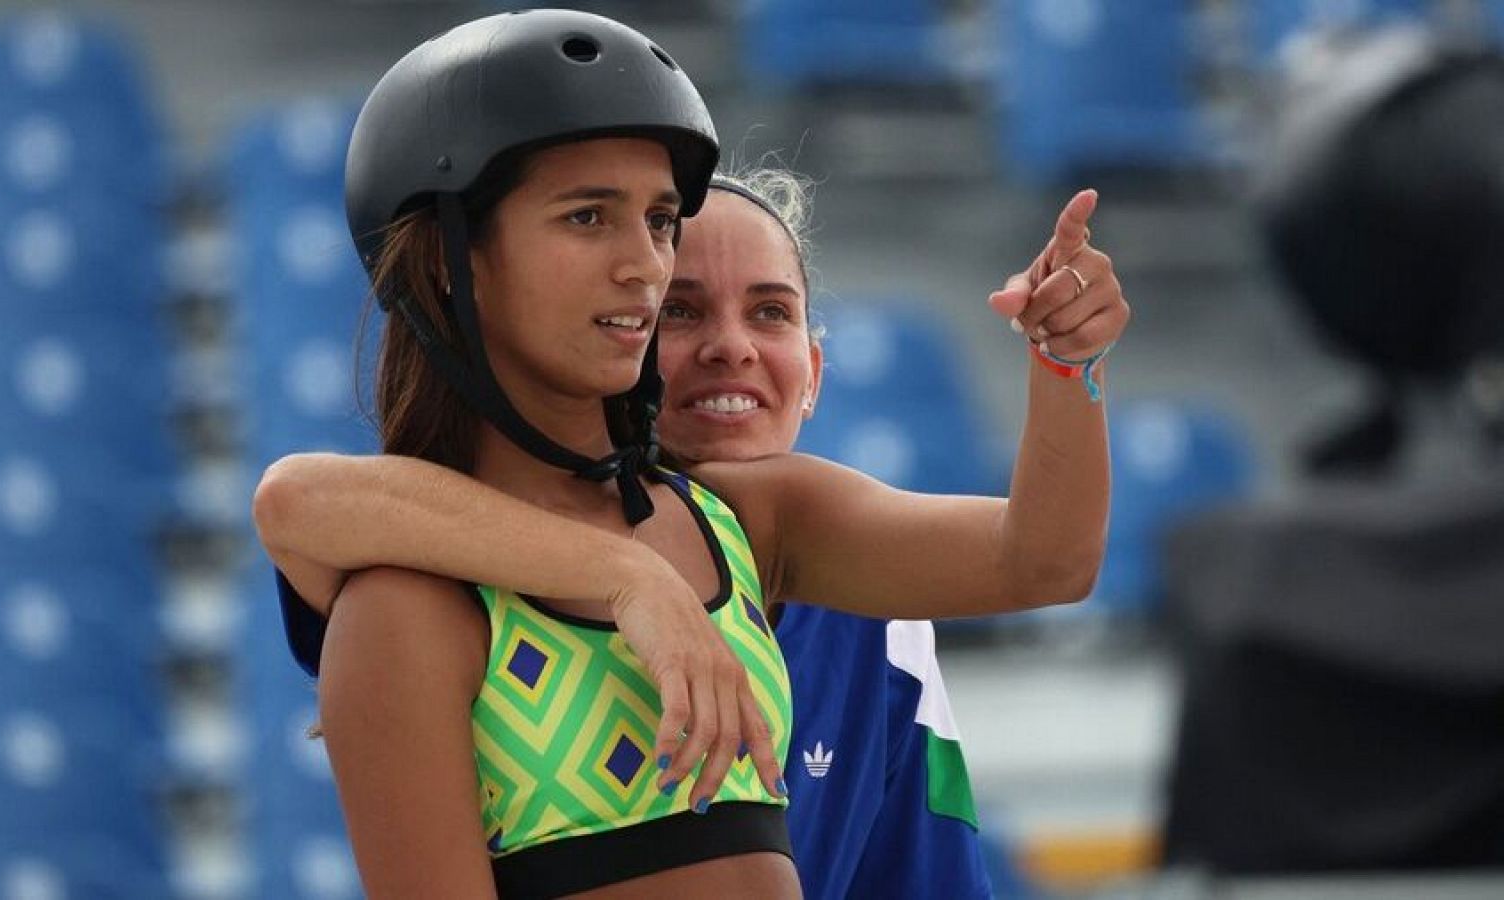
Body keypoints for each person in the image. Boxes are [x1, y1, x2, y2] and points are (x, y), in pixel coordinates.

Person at [253, 9, 1128, 897]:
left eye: (661, 219)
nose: (645, 264)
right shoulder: (403, 609)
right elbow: (290, 499)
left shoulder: (742, 520)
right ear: (449, 260)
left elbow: (1045, 560)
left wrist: (1066, 362)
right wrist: (630, 577)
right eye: (588, 216)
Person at [265, 166, 997, 897]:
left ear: (813, 374)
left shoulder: (885, 622)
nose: (731, 347)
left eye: (771, 312)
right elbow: (296, 499)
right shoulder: (442, 567)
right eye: (679, 312)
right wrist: (629, 573)